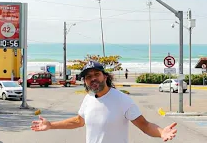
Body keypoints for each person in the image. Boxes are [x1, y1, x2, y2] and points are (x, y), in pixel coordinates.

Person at [31, 60, 177, 142]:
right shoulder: (88, 99)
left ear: (105, 77)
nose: (93, 78)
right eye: (88, 77)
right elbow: (78, 121)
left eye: (97, 74)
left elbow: (145, 125)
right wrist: (50, 125)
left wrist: (161, 132)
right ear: (85, 82)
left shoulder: (122, 100)